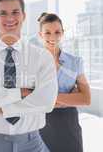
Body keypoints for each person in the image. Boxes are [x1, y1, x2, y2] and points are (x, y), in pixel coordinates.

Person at [0, 0, 58, 152]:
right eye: (3, 13)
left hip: (32, 143)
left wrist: (2, 108)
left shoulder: (41, 56)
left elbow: (46, 101)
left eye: (15, 12)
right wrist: (22, 93)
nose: (9, 18)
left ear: (23, 16)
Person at [38, 12, 91, 152]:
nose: (52, 37)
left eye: (57, 32)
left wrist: (46, 99)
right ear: (40, 35)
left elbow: (86, 98)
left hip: (69, 126)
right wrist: (71, 97)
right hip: (41, 126)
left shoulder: (75, 62)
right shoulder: (32, 64)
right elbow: (29, 100)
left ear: (62, 33)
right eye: (47, 33)